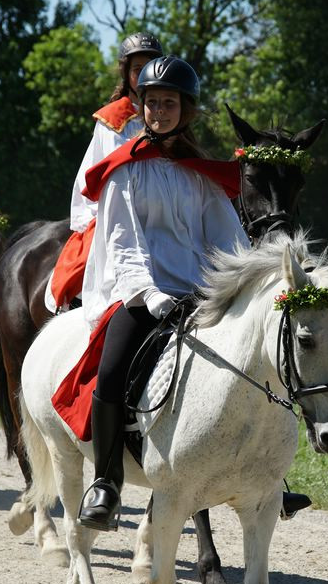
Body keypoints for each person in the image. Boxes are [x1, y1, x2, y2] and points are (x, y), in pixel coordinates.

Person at [76, 56, 249, 530]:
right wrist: (149, 295)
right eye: (151, 103)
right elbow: (122, 243)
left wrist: (246, 285)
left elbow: (228, 240)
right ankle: (107, 482)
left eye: (168, 103)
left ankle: (261, 472)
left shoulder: (199, 173)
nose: (158, 111)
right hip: (139, 295)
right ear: (141, 107)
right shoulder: (124, 170)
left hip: (198, 295)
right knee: (112, 373)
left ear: (186, 109)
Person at [48, 32, 164, 312]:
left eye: (150, 69)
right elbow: (108, 178)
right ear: (126, 74)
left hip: (162, 208)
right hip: (115, 211)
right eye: (138, 70)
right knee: (86, 271)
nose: (144, 76)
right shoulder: (114, 120)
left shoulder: (170, 114)